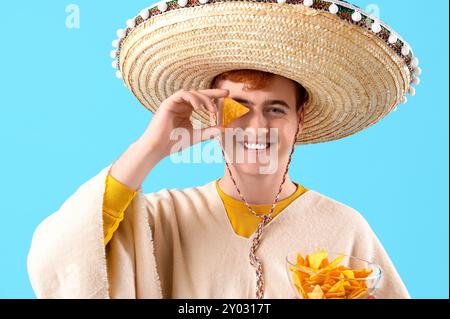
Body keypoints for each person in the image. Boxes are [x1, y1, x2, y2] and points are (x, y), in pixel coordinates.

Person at [28, 0, 419, 299]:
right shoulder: (162, 218)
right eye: (238, 108)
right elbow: (59, 257)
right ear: (212, 113)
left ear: (300, 117)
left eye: (276, 109)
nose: (257, 127)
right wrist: (150, 147)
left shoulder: (343, 226)